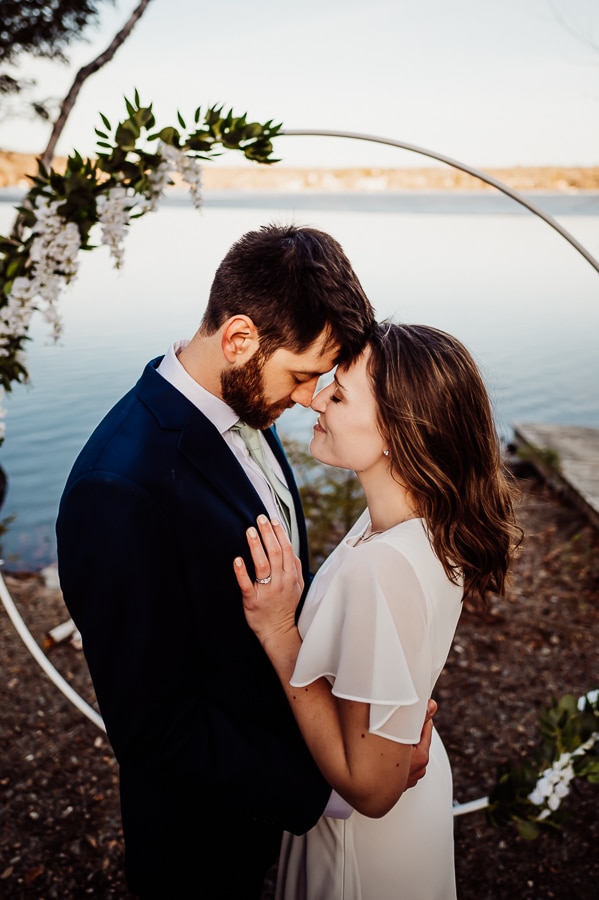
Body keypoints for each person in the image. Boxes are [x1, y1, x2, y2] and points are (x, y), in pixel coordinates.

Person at [56, 225, 435, 900]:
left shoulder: (242, 405)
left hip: (285, 787)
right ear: (237, 340)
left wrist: (359, 722)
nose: (309, 399)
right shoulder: (118, 488)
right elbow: (152, 729)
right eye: (301, 376)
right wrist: (327, 791)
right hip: (202, 840)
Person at [235, 322, 522, 900]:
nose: (314, 398)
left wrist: (278, 629)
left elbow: (371, 788)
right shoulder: (420, 521)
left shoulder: (383, 564)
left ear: (398, 430)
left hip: (363, 847)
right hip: (410, 795)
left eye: (338, 395)